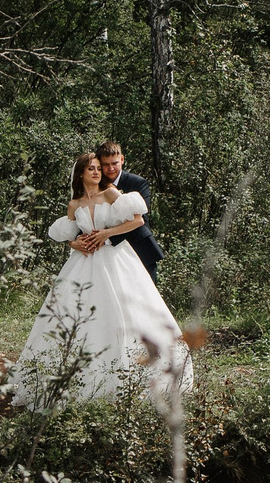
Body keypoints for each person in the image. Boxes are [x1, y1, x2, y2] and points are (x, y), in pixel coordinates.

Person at [11, 149, 191, 407]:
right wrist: (76, 244)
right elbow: (71, 233)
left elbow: (137, 221)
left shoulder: (111, 193)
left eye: (99, 168)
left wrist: (107, 233)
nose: (98, 172)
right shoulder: (74, 204)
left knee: (125, 310)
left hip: (115, 257)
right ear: (81, 173)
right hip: (84, 262)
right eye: (92, 169)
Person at [70, 138, 162, 278]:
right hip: (105, 254)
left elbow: (139, 219)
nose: (110, 168)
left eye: (114, 163)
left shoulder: (137, 183)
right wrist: (78, 241)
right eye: (105, 165)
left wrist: (106, 235)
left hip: (138, 248)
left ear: (122, 159)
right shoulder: (95, 186)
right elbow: (84, 219)